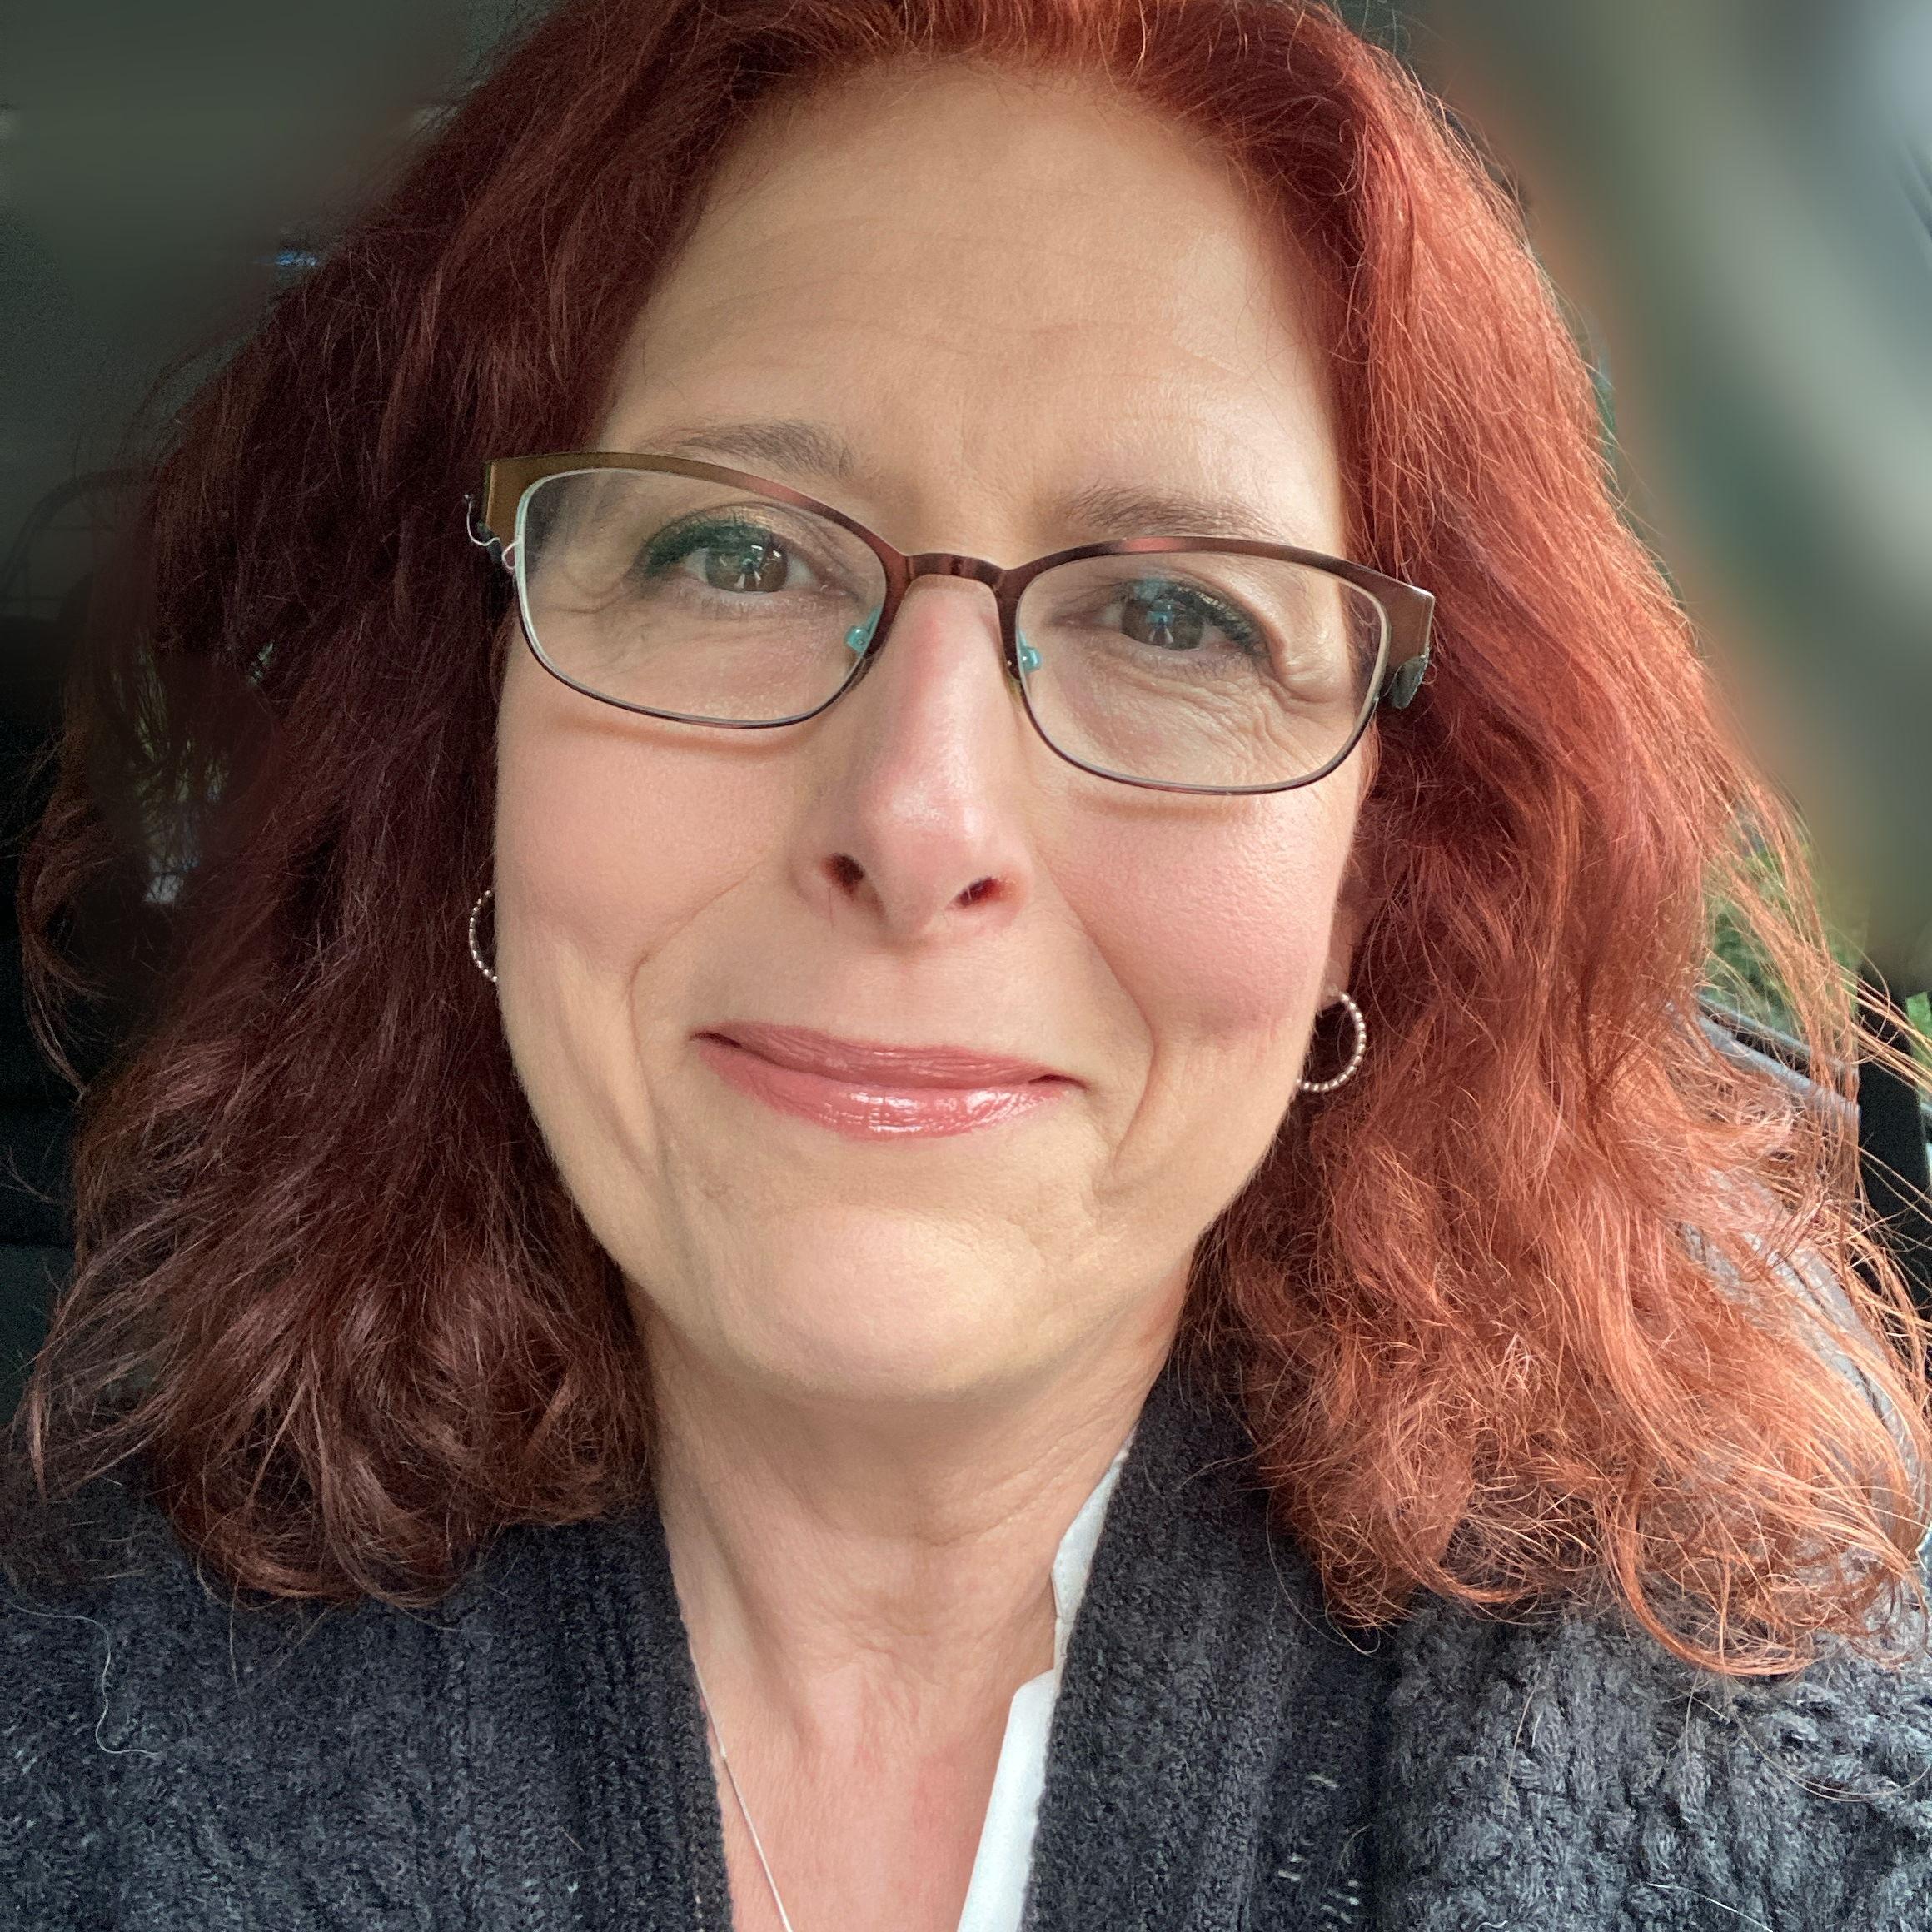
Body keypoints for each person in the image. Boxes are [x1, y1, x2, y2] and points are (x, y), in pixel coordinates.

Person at [5, 2, 1931, 1927]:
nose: (919, 822)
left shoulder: (1785, 1810)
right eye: (732, 557)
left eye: (1171, 614)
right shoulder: (72, 1750)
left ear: (1372, 863)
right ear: (475, 746)